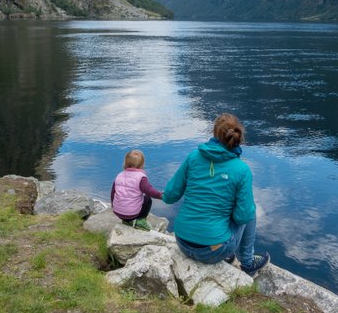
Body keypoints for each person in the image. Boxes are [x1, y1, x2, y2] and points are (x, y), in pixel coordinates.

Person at [162, 113, 270, 276]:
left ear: (214, 133)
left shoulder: (193, 157)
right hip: (212, 250)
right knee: (249, 210)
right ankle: (247, 263)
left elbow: (169, 196)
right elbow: (242, 217)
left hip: (182, 242)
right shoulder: (241, 169)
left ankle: (225, 252)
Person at [111, 149, 163, 231]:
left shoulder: (119, 175)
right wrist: (160, 195)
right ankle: (140, 221)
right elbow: (149, 190)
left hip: (118, 212)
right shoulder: (140, 177)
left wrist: (114, 206)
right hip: (133, 214)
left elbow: (113, 193)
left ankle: (127, 222)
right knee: (147, 199)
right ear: (142, 165)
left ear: (125, 163)